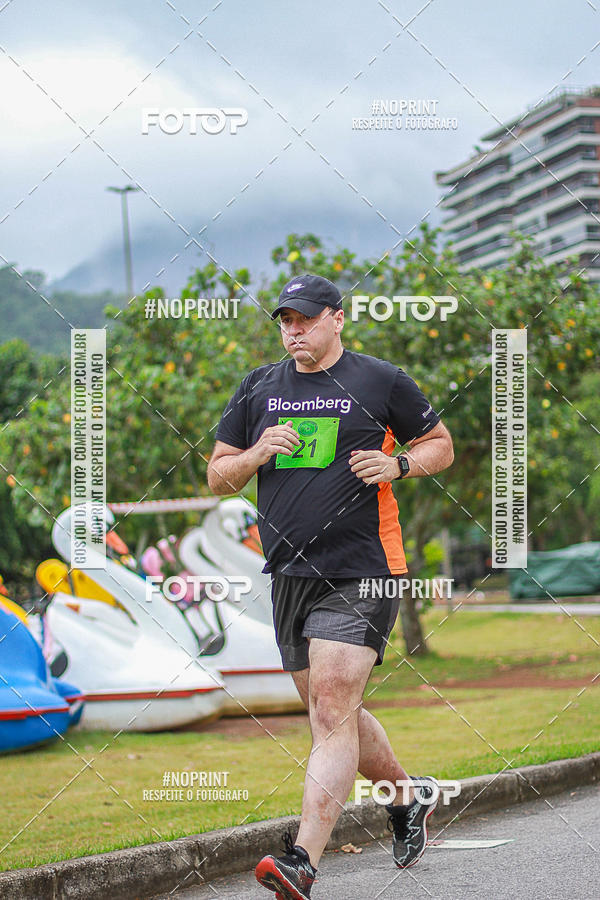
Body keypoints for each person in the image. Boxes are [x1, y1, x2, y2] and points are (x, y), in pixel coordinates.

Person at [207, 274, 454, 899]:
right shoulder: (260, 386)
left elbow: (441, 446)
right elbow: (217, 476)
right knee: (330, 712)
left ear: (336, 320)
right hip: (289, 574)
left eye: (306, 319)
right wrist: (257, 452)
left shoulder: (380, 380)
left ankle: (300, 861)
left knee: (331, 709)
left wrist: (399, 463)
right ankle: (405, 795)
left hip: (364, 567)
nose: (294, 331)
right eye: (285, 321)